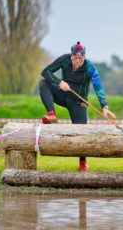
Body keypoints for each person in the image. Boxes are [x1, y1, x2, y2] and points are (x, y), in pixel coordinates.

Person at [39, 41, 116, 172]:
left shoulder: (90, 67)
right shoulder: (64, 59)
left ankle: (83, 161)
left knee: (81, 133)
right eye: (75, 58)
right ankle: (52, 115)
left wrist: (104, 105)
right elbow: (45, 72)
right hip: (63, 95)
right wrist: (59, 82)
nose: (78, 61)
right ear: (71, 56)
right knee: (43, 84)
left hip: (78, 103)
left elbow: (98, 86)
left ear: (84, 57)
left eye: (81, 58)